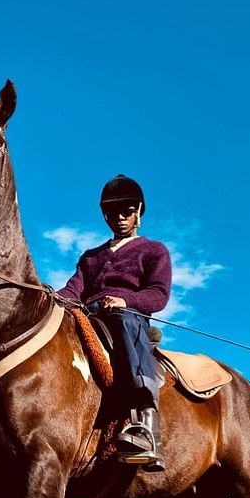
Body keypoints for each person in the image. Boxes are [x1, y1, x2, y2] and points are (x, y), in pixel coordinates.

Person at [57, 174, 172, 470]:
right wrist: (49, 297)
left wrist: (126, 301)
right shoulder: (91, 257)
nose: (120, 217)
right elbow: (73, 290)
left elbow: (158, 296)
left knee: (124, 320)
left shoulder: (153, 250)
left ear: (138, 212)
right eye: (113, 212)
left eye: (127, 210)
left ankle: (147, 426)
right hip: (90, 313)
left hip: (126, 317)